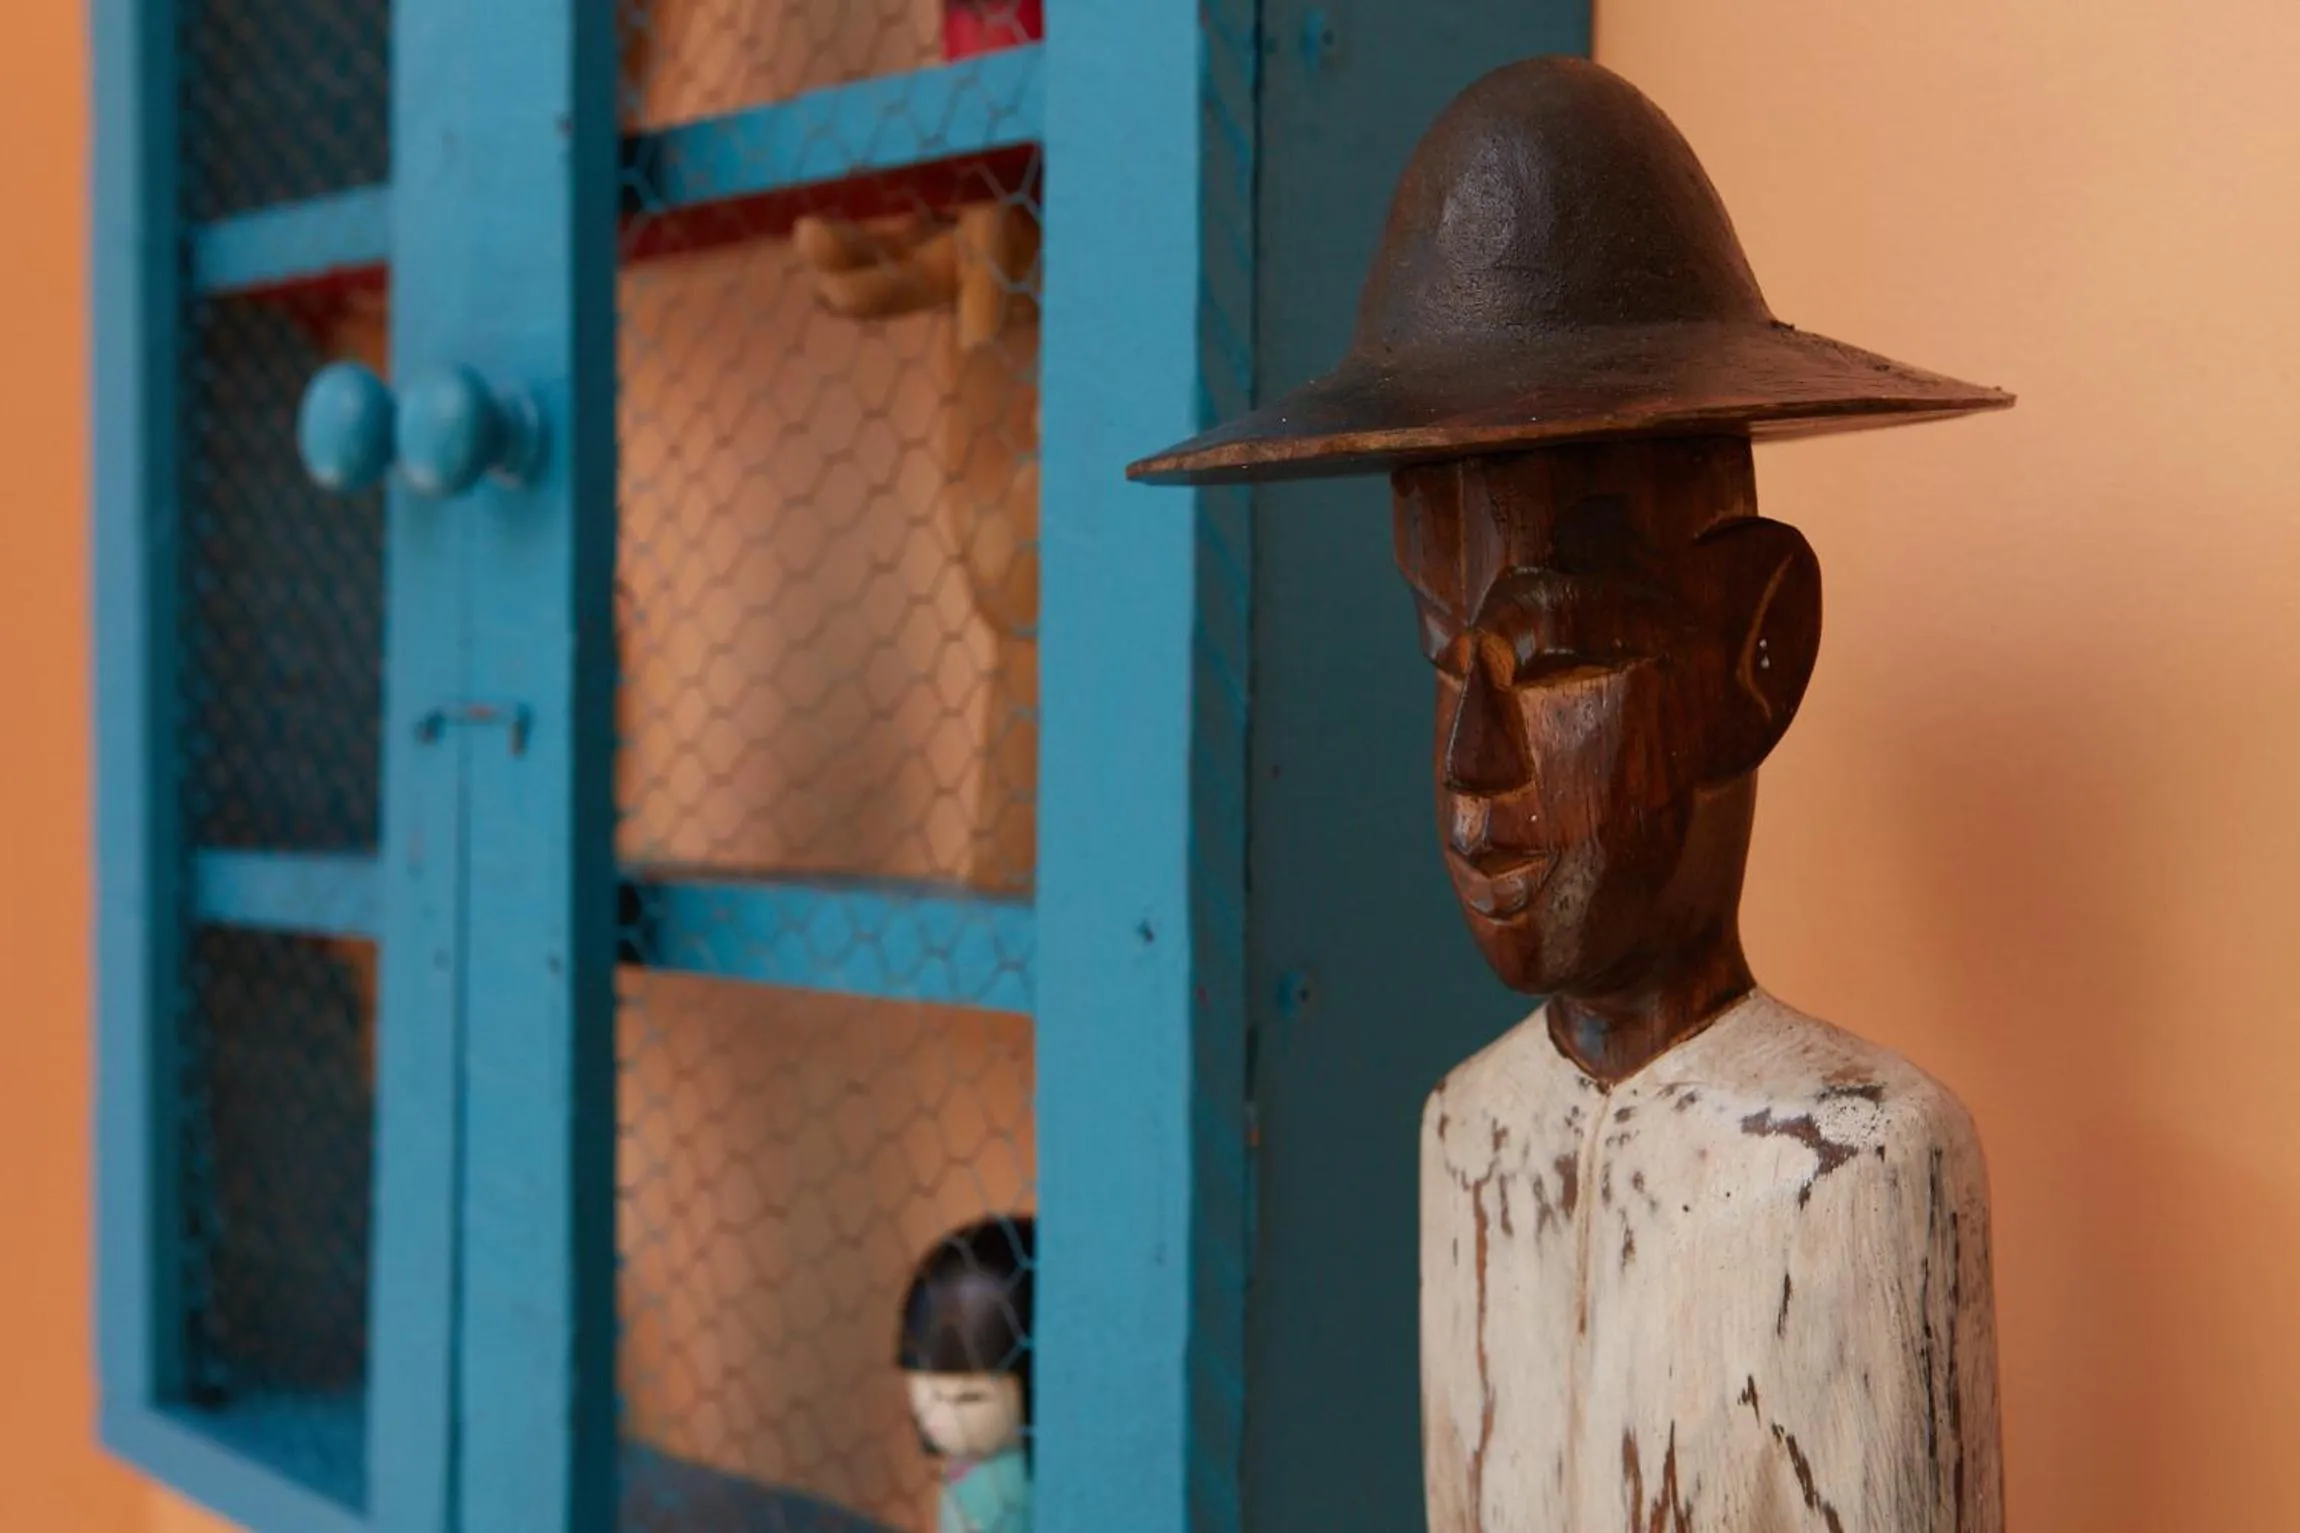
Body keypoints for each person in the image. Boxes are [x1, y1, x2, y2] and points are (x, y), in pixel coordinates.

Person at [1131, 56, 2009, 1533]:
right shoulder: (1470, 1133)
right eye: (1441, 658)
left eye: (1556, 661)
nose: (1472, 764)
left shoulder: (1856, 1168)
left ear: (1756, 655)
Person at [899, 1216, 1034, 1533]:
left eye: (968, 1398)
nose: (940, 1417)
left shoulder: (1019, 1476)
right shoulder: (963, 1466)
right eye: (927, 1396)